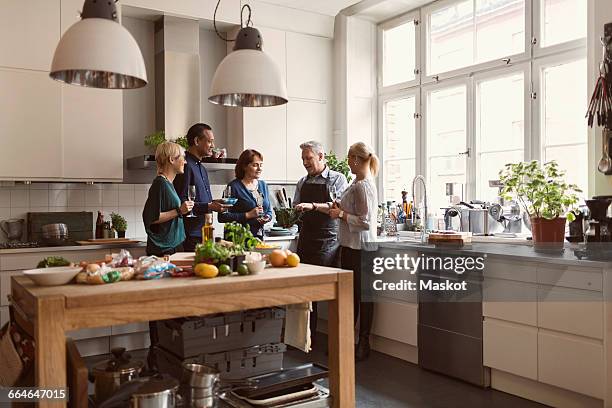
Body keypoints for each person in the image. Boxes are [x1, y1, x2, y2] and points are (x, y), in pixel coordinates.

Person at [328, 142, 379, 361]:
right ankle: (347, 341)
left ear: (356, 159)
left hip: (362, 249)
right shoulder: (356, 182)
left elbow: (366, 222)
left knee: (362, 297)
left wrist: (340, 215)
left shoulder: (363, 185)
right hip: (351, 247)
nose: (347, 162)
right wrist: (339, 209)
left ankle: (363, 343)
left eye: (349, 158)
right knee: (351, 297)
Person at [293, 141, 348, 339]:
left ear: (321, 156)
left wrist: (313, 206)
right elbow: (296, 206)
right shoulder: (302, 181)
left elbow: (339, 206)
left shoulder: (338, 179)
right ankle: (306, 338)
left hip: (328, 241)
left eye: (309, 158)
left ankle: (336, 339)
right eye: (303, 159)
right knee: (305, 292)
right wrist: (293, 213)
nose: (305, 163)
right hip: (306, 239)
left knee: (325, 291)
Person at [173, 123, 227, 251]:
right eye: (210, 141)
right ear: (197, 141)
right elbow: (183, 202)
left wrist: (213, 203)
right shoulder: (185, 165)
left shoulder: (202, 168)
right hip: (190, 235)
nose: (213, 146)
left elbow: (200, 201)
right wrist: (209, 206)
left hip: (205, 233)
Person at [142, 141, 194, 257]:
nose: (185, 162)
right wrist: (179, 211)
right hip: (164, 249)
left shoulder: (168, 183)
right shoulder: (160, 184)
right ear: (171, 160)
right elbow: (150, 217)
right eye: (183, 158)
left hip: (173, 245)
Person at [218, 149, 273, 239]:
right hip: (238, 240)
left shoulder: (263, 185)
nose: (259, 169)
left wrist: (267, 217)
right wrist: (248, 215)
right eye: (255, 165)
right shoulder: (233, 187)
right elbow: (222, 216)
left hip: (257, 238)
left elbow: (269, 211)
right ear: (244, 166)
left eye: (261, 165)